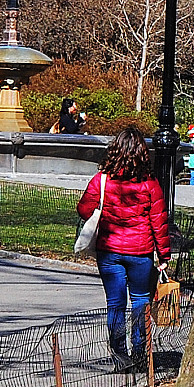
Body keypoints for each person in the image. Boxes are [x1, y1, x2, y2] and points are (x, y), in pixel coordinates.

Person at [76, 126, 172, 369]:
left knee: (115, 304)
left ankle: (120, 355)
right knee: (140, 300)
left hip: (110, 251)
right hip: (140, 252)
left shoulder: (102, 180)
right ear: (142, 153)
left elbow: (84, 209)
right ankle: (140, 352)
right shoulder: (150, 184)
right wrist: (164, 254)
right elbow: (159, 222)